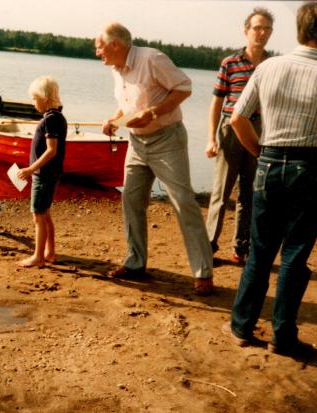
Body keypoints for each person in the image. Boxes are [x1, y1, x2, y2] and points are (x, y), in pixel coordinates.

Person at [223, 2, 317, 358]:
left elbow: (237, 118)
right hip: (311, 167)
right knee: (295, 253)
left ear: (299, 30)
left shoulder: (269, 66)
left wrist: (259, 152)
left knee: (260, 252)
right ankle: (283, 335)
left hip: (270, 160)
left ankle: (241, 326)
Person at [95, 22, 214, 295]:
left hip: (167, 140)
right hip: (136, 143)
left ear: (115, 44)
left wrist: (152, 113)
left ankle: (203, 272)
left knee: (183, 201)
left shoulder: (151, 58)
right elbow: (128, 105)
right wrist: (114, 120)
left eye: (99, 46)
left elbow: (184, 87)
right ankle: (135, 263)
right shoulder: (116, 69)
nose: (97, 52)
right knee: (131, 199)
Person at [205, 8, 274, 264]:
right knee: (221, 193)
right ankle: (208, 246)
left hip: (259, 129)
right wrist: (211, 138)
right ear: (247, 31)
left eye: (267, 28)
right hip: (230, 128)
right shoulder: (230, 63)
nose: (262, 32)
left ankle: (240, 248)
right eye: (257, 27)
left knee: (250, 193)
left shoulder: (272, 64)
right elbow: (216, 103)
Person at [16, 76, 67, 267]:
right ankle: (50, 253)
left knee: (38, 215)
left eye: (34, 98)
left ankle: (38, 256)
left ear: (45, 97)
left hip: (44, 175)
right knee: (45, 213)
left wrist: (30, 169)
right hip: (49, 174)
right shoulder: (57, 117)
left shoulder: (51, 120)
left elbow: (51, 150)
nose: (33, 102)